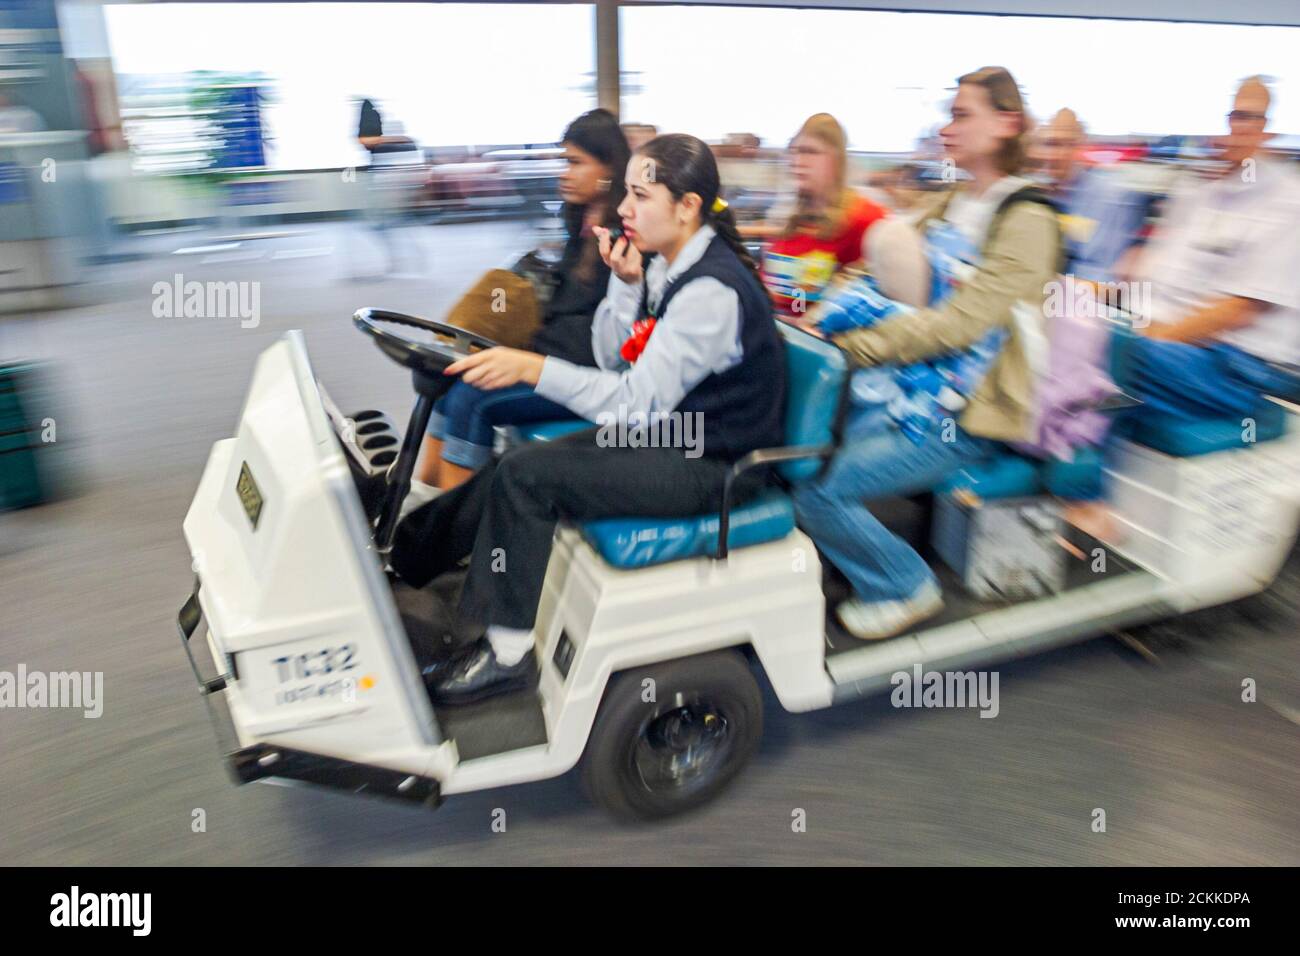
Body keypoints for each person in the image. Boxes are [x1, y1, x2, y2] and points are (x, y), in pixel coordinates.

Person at [390, 133, 787, 704]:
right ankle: (408, 555)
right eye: (626, 193)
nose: (625, 209)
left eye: (640, 196)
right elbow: (613, 359)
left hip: (714, 463)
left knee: (530, 478)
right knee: (519, 462)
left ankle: (508, 658)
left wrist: (532, 368)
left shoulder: (711, 293)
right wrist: (625, 290)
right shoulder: (669, 264)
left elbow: (632, 404)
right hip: (672, 434)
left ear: (687, 206)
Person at [795, 66, 1062, 640]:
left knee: (812, 481)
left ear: (1006, 122)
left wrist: (855, 347)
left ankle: (904, 584)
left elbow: (962, 324)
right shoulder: (954, 203)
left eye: (962, 115)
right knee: (795, 447)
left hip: (966, 413)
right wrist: (822, 316)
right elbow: (875, 263)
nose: (948, 127)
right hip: (917, 389)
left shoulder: (1029, 220)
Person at [416, 109, 630, 488]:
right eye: (564, 161)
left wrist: (530, 358)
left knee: (471, 398)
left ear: (609, 167)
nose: (564, 172)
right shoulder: (578, 223)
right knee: (447, 378)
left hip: (588, 375)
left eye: (575, 162)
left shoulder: (622, 242)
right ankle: (426, 492)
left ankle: (452, 525)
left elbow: (604, 338)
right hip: (553, 357)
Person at [1119, 76, 1300, 420]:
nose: (1232, 129)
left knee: (1103, 357)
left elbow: (1239, 310)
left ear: (1268, 130)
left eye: (1246, 118)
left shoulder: (1288, 201)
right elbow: (1157, 283)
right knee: (1068, 336)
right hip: (1183, 347)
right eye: (1232, 117)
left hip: (1239, 368)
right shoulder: (1202, 193)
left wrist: (1147, 338)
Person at [749, 114, 890, 319]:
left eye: (810, 152)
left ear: (837, 160)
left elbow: (870, 304)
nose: (798, 161)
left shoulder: (867, 219)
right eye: (794, 152)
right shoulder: (792, 221)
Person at [1030, 108, 1150, 285]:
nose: (1054, 155)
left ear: (1081, 146)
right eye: (1049, 144)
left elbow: (1104, 279)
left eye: (1065, 144)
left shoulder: (1111, 198)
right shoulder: (1035, 193)